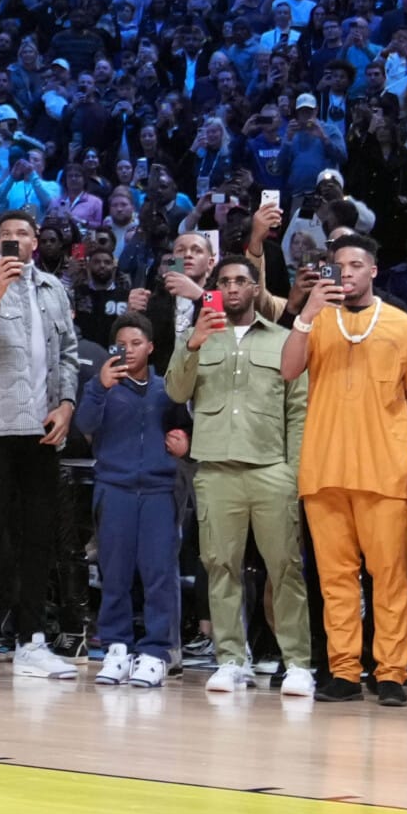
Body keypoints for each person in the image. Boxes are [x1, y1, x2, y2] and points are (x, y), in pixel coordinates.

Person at [283, 234, 407, 705]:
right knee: (335, 579)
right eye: (338, 265)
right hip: (325, 467)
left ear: (373, 271)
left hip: (387, 469)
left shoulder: (403, 325)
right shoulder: (317, 321)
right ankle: (345, 671)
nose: (345, 271)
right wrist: (305, 314)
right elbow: (288, 370)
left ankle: (391, 673)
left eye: (354, 264)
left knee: (389, 576)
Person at [165, 254, 316, 697]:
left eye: (241, 281)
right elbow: (175, 390)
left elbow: (298, 411)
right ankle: (231, 659)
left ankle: (298, 662)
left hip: (272, 469)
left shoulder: (283, 339)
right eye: (224, 281)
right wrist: (192, 344)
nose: (232, 288)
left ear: (255, 290)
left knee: (284, 568)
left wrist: (293, 473)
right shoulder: (198, 338)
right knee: (220, 568)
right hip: (214, 468)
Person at [0, 208, 86, 680]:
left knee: (38, 540)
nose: (14, 239)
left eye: (22, 233)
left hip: (43, 428)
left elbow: (68, 354)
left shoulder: (54, 290)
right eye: (6, 234)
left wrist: (67, 404)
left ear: (36, 242)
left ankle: (32, 641)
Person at [74, 317, 191, 687]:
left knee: (158, 575)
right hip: (114, 489)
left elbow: (186, 428)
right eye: (121, 342)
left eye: (136, 342)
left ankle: (156, 652)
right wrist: (97, 387)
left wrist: (187, 444)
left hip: (159, 491)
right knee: (115, 575)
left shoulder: (166, 389)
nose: (128, 349)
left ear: (150, 347)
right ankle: (117, 648)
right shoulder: (103, 386)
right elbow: (85, 424)